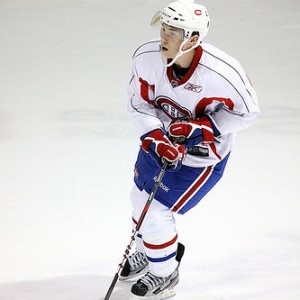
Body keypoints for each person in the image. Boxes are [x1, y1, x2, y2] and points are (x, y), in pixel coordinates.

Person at [120, 0, 260, 298]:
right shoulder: (146, 57)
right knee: (139, 198)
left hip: (201, 157)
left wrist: (203, 129)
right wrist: (155, 135)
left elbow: (247, 112)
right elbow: (138, 102)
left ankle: (165, 272)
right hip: (159, 144)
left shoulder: (223, 72)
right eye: (163, 28)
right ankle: (152, 250)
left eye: (173, 32)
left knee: (157, 211)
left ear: (193, 39)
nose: (163, 37)